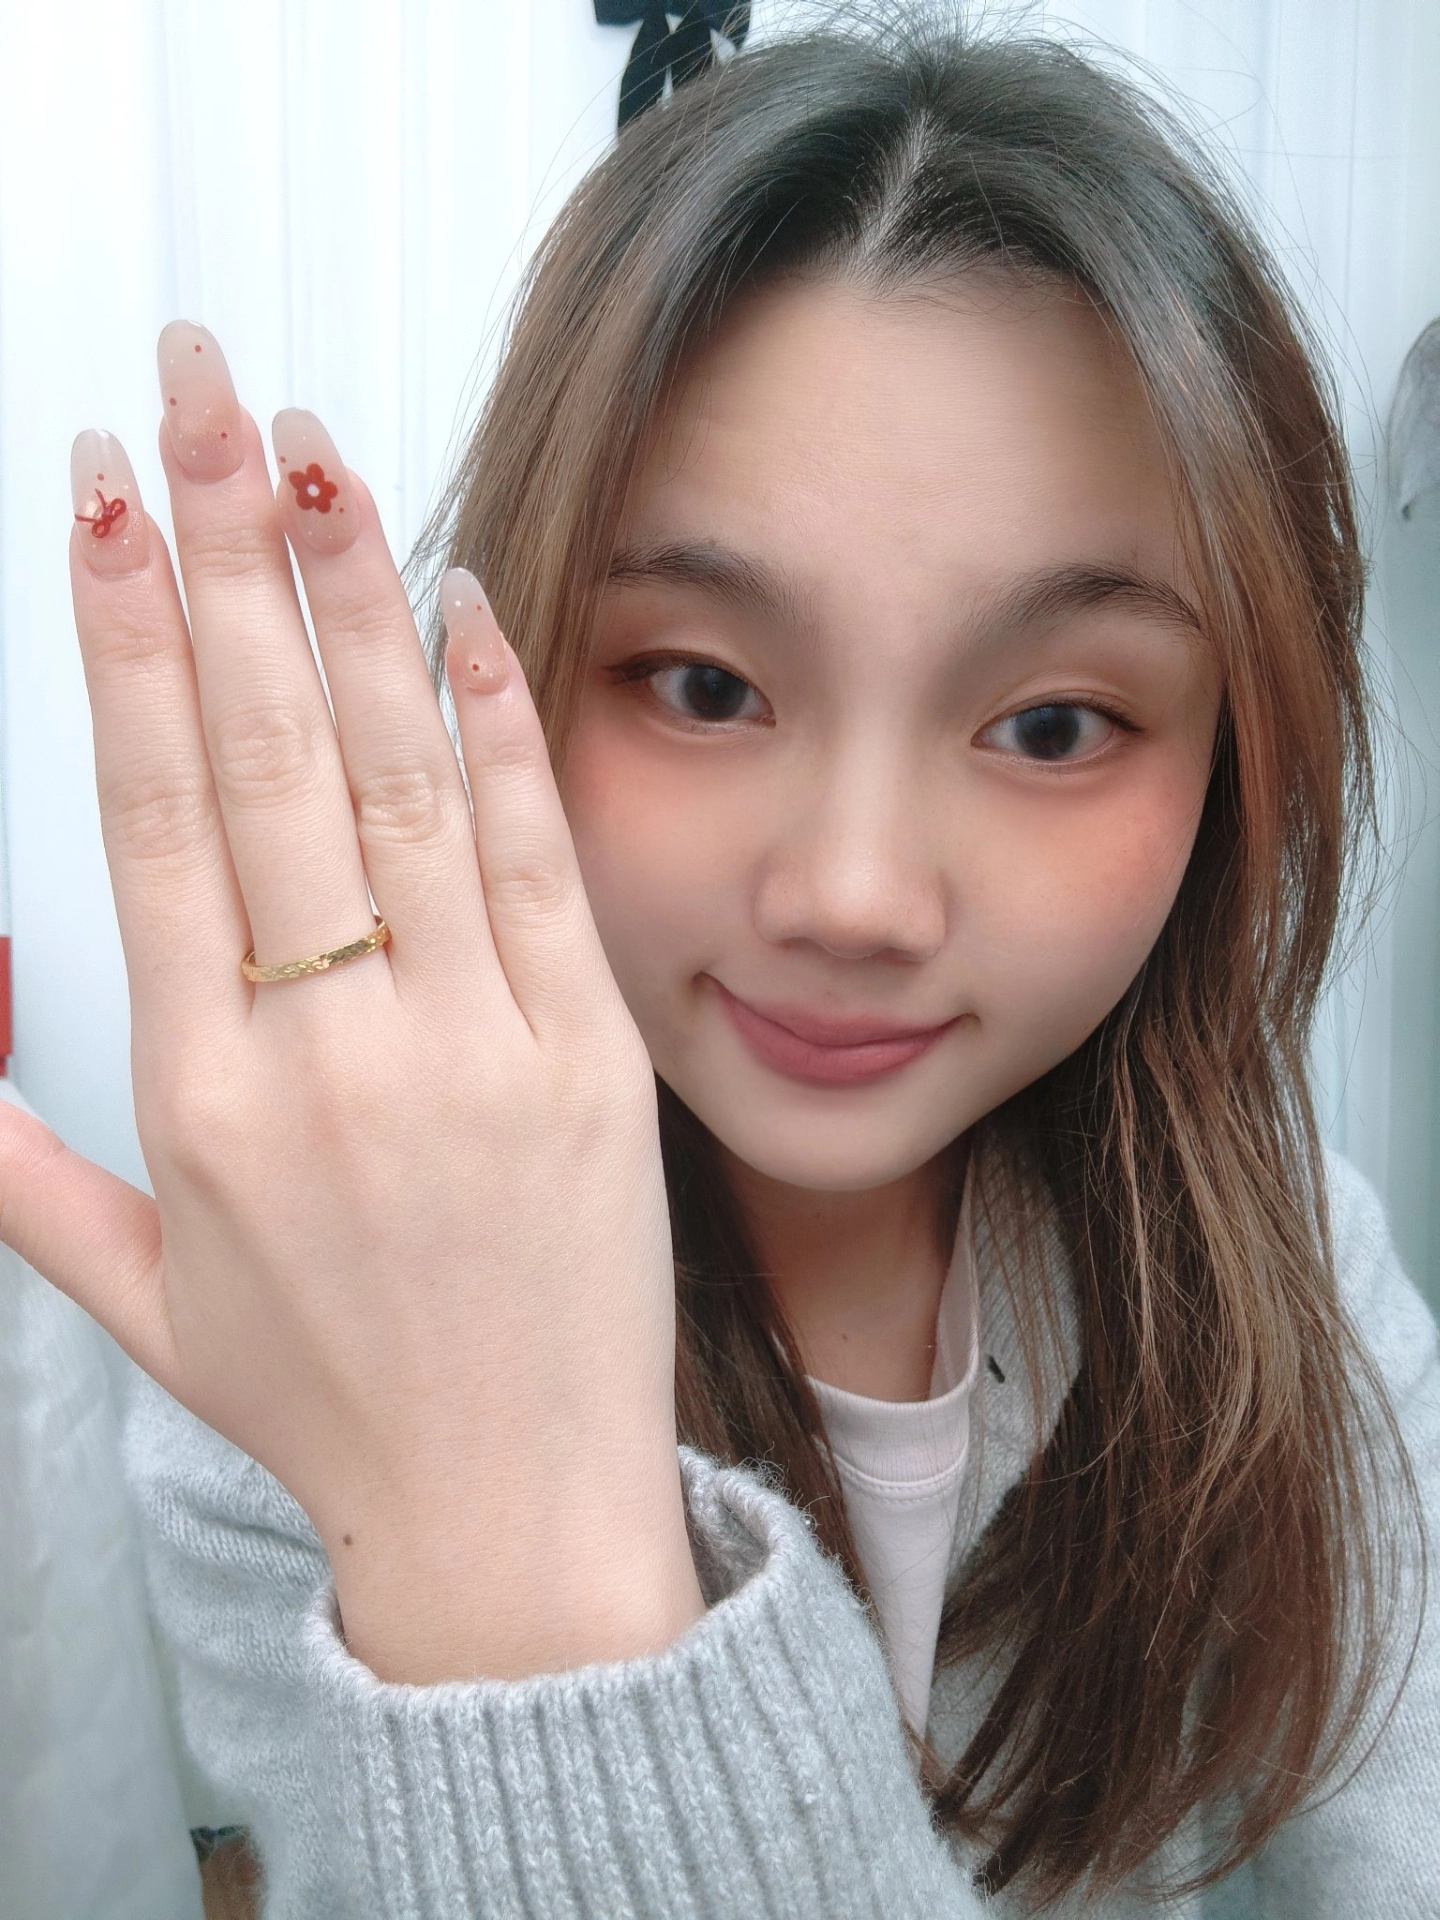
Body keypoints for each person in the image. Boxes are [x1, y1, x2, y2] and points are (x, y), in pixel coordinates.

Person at [3, 14, 1436, 1918]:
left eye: (1055, 725)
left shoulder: (1288, 1269)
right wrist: (503, 1537)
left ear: (1235, 764)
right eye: (701, 685)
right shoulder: (315, 1328)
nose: (854, 894)